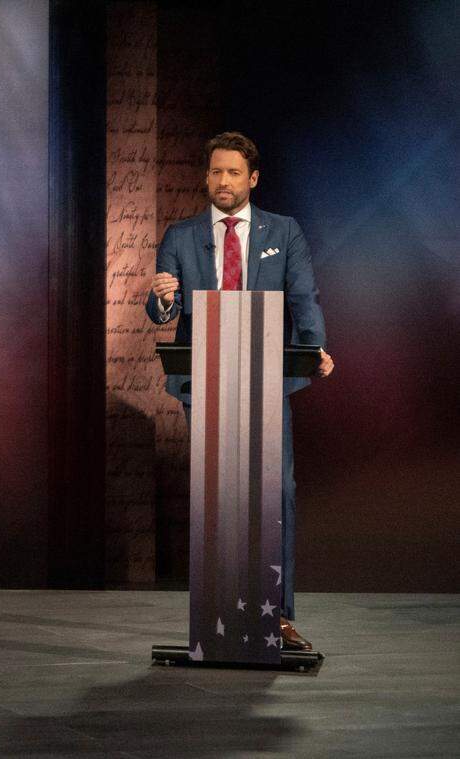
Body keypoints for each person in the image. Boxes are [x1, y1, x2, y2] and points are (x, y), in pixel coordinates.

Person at [145, 131, 334, 651]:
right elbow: (165, 310)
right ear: (206, 176)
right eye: (214, 172)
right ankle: (218, 617)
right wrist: (161, 299)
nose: (222, 181)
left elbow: (303, 298)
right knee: (219, 498)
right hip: (205, 381)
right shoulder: (181, 237)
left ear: (252, 178)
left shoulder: (285, 231)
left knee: (278, 493)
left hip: (267, 380)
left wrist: (314, 348)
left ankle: (280, 617)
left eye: (232, 173)